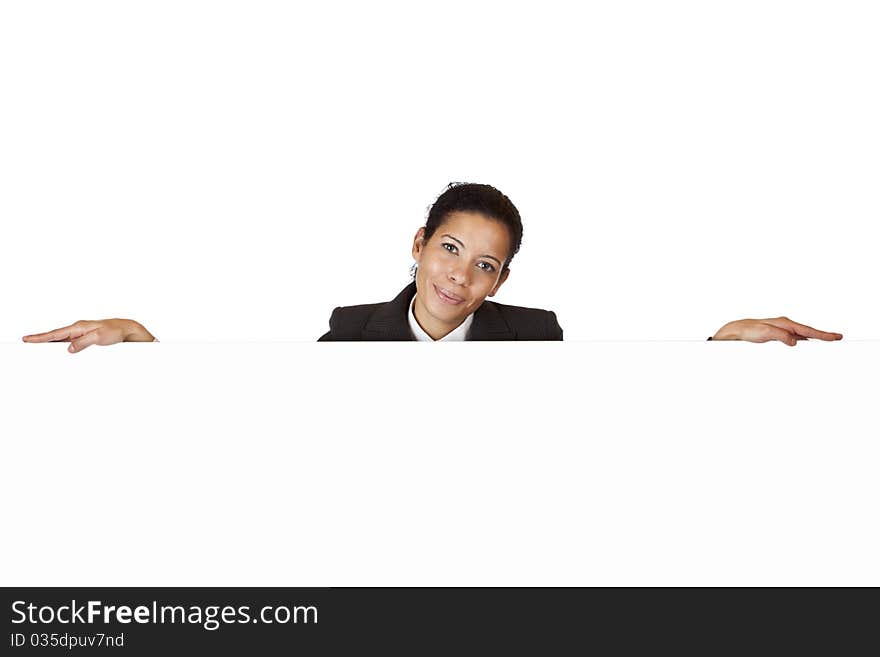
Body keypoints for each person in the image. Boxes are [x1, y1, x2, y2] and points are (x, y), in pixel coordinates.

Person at [22, 182, 843, 350]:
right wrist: (149, 349)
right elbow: (266, 417)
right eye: (450, 249)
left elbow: (613, 415)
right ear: (418, 245)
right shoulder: (350, 333)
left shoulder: (535, 335)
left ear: (501, 283)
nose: (460, 276)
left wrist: (717, 350)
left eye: (485, 264)